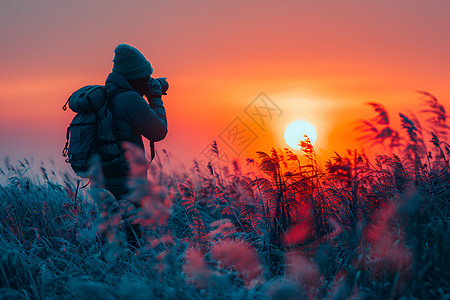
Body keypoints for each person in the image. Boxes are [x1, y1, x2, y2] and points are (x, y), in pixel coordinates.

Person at [103, 43, 168, 248]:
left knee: (110, 234)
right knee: (132, 236)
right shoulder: (129, 98)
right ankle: (129, 273)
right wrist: (155, 98)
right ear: (134, 77)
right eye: (145, 77)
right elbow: (158, 131)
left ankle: (108, 274)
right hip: (127, 180)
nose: (148, 81)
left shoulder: (109, 94)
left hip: (106, 175)